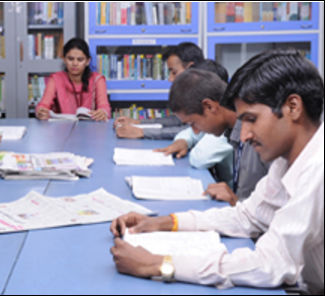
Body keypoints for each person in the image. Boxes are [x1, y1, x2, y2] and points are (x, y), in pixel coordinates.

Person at [110, 49, 324, 295]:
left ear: (293, 107)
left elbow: (269, 265)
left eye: (252, 119)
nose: (244, 135)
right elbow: (247, 217)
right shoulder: (286, 161)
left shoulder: (318, 168)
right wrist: (165, 222)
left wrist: (157, 264)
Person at [155, 59, 236, 201]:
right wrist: (183, 140)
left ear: (210, 106)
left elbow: (200, 158)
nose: (195, 130)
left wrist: (237, 202)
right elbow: (192, 133)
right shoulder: (223, 120)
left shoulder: (246, 134)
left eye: (193, 123)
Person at [114, 42, 205, 139]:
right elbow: (179, 120)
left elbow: (191, 131)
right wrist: (138, 122)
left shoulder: (205, 91)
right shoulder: (191, 89)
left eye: (174, 72)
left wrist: (142, 132)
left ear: (190, 67)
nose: (170, 79)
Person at [35, 38, 111, 122]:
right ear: (64, 59)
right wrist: (41, 111)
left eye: (80, 60)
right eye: (70, 59)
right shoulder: (55, 79)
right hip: (61, 130)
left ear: (88, 61)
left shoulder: (97, 80)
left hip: (91, 130)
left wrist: (103, 112)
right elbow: (43, 105)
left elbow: (105, 107)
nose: (75, 64)